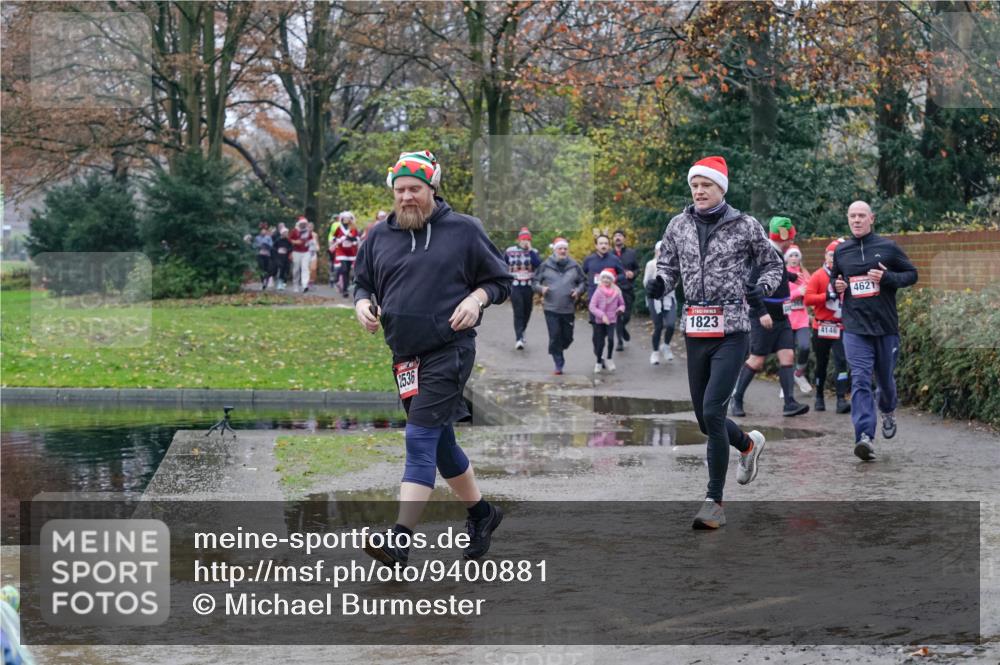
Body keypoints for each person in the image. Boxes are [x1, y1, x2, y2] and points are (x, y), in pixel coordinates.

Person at [353, 149, 512, 565]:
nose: (406, 197)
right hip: (404, 358)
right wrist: (362, 304)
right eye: (400, 190)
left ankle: (400, 539)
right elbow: (362, 282)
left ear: (432, 189)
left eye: (415, 189)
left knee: (419, 437)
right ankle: (482, 515)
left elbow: (500, 281)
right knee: (440, 444)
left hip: (450, 350)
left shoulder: (464, 230)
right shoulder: (378, 235)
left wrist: (477, 299)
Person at [647, 155, 782, 529]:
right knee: (708, 420)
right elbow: (669, 267)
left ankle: (714, 502)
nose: (699, 191)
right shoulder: (678, 225)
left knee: (712, 410)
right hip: (695, 331)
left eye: (706, 185)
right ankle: (748, 445)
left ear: (721, 187)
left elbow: (773, 265)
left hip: (733, 331)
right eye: (694, 185)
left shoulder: (745, 226)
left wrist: (762, 289)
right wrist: (661, 283)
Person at [832, 201, 918, 461]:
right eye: (852, 216)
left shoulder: (888, 248)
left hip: (885, 327)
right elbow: (835, 280)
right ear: (848, 219)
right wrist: (836, 286)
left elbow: (912, 274)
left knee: (885, 381)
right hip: (855, 327)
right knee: (859, 379)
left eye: (861, 216)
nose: (856, 220)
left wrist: (888, 278)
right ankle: (864, 436)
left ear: (872, 219)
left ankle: (888, 410)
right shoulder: (842, 251)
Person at [729, 216, 811, 418]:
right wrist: (761, 312)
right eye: (790, 237)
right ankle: (736, 398)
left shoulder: (777, 253)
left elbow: (775, 275)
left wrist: (789, 276)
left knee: (788, 356)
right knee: (756, 361)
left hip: (782, 317)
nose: (791, 242)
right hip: (763, 317)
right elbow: (750, 286)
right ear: (783, 236)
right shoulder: (764, 253)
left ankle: (789, 403)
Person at [804, 238, 851, 414]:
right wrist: (826, 296)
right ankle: (819, 397)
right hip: (821, 326)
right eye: (831, 255)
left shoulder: (846, 275)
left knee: (842, 362)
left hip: (841, 326)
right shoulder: (818, 275)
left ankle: (841, 399)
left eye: (838, 255)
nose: (834, 258)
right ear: (826, 255)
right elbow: (808, 299)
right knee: (821, 363)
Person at [532, 237, 585, 374]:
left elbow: (583, 282)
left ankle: (559, 349)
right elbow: (534, 282)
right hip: (551, 307)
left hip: (568, 308)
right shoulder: (545, 265)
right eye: (560, 248)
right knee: (555, 335)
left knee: (567, 337)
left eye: (565, 248)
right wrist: (541, 289)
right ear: (554, 250)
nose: (563, 251)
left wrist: (578, 291)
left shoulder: (574, 265)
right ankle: (558, 363)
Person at [784, 244, 814, 394]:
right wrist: (797, 292)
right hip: (786, 319)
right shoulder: (782, 274)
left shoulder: (804, 274)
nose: (794, 258)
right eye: (791, 255)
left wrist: (807, 295)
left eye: (796, 256)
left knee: (804, 347)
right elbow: (779, 297)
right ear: (786, 258)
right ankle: (786, 385)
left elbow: (811, 294)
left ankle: (799, 374)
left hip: (802, 319)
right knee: (787, 354)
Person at [505, 227, 541, 349]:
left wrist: (530, 251)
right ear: (519, 240)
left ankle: (522, 331)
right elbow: (502, 264)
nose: (525, 242)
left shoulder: (533, 252)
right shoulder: (510, 251)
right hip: (515, 286)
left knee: (527, 311)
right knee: (518, 311)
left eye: (527, 240)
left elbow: (538, 265)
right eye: (523, 239)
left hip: (528, 286)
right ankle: (519, 338)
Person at [644, 240, 677, 365]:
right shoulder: (651, 264)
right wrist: (655, 287)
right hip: (655, 299)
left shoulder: (673, 264)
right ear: (656, 251)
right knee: (658, 326)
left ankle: (666, 346)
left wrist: (668, 286)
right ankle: (655, 352)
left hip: (669, 297)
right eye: (659, 250)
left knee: (671, 324)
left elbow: (676, 282)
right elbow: (646, 282)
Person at [588, 268, 625, 373]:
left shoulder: (617, 292)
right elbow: (592, 306)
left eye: (608, 278)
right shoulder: (598, 291)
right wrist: (602, 315)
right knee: (600, 343)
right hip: (600, 321)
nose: (606, 280)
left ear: (612, 280)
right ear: (601, 279)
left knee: (611, 339)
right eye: (604, 278)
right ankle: (599, 362)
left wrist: (620, 310)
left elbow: (622, 304)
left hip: (612, 319)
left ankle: (609, 358)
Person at [612, 229, 640, 351]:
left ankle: (622, 328)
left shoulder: (631, 253)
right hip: (613, 289)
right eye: (616, 236)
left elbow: (638, 269)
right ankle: (619, 342)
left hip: (628, 288)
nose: (618, 238)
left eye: (620, 236)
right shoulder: (609, 254)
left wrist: (633, 274)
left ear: (624, 239)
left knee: (627, 315)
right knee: (618, 314)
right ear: (613, 239)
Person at [329, 211, 360, 297]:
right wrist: (337, 240)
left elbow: (357, 239)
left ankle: (345, 289)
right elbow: (333, 237)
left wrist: (349, 238)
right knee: (344, 269)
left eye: (348, 218)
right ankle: (339, 282)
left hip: (351, 252)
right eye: (344, 218)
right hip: (341, 251)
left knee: (347, 270)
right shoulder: (339, 228)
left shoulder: (353, 228)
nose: (346, 220)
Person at [288, 216, 313, 292]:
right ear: (299, 223)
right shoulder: (295, 231)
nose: (303, 225)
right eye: (302, 223)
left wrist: (310, 244)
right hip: (296, 252)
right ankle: (295, 284)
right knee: (296, 269)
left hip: (306, 252)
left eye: (305, 223)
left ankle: (305, 285)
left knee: (305, 268)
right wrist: (295, 242)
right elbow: (289, 239)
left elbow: (311, 239)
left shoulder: (308, 231)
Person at [252, 223, 274, 290]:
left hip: (267, 255)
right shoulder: (257, 238)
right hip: (260, 255)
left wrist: (266, 244)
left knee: (267, 269)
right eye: (262, 231)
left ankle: (266, 281)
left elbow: (271, 245)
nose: (263, 232)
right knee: (261, 268)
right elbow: (254, 246)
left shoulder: (268, 237)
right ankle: (262, 282)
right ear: (260, 231)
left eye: (264, 231)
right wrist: (259, 246)